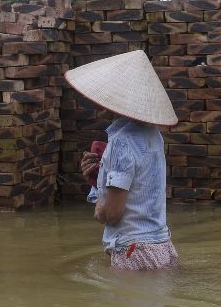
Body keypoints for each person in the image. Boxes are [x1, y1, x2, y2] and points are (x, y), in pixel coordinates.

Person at [64, 49, 180, 270]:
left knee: (125, 304)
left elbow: (112, 214)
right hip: (162, 247)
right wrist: (98, 180)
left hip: (134, 252)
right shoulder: (153, 134)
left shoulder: (121, 141)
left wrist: (99, 207)